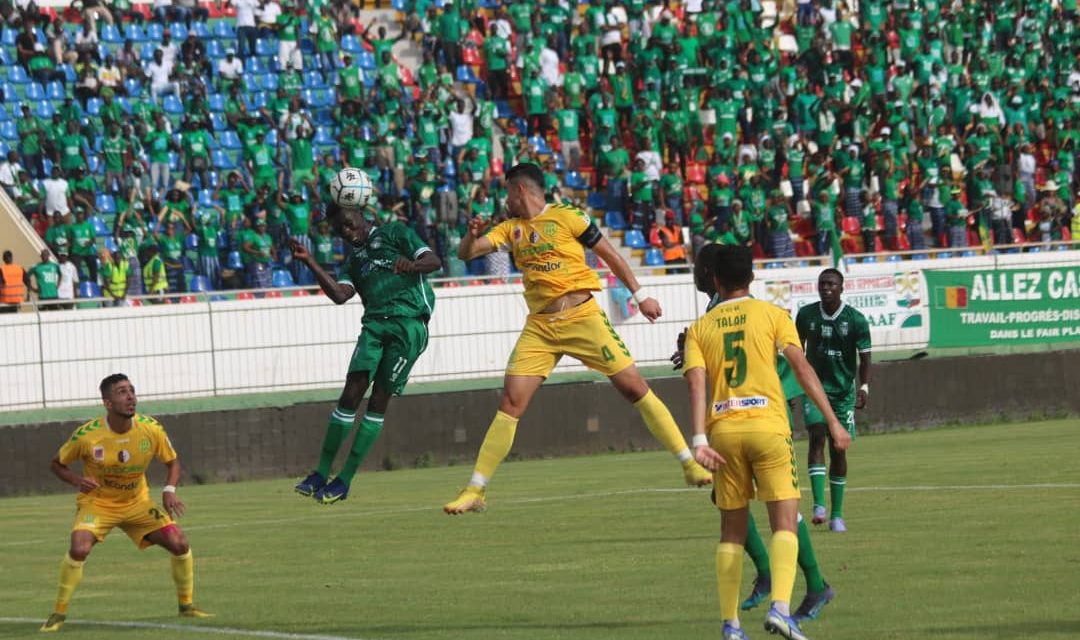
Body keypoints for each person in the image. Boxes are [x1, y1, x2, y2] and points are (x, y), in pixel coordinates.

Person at [443, 163, 712, 515]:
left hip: (583, 318)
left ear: (520, 190)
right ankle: (475, 489)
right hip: (541, 327)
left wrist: (640, 295)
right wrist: (470, 234)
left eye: (508, 192)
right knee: (511, 403)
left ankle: (688, 463)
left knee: (634, 387)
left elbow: (611, 255)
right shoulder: (511, 229)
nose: (505, 199)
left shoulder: (569, 217)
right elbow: (467, 253)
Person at [684, 245, 851, 640]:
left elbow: (695, 381)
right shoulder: (773, 315)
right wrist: (832, 421)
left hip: (723, 431)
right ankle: (780, 607)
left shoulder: (699, 327)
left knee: (730, 531)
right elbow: (801, 367)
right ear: (752, 279)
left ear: (715, 280)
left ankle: (731, 626)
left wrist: (698, 439)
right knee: (784, 523)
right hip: (768, 427)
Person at [291, 203, 441, 504]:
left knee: (378, 401)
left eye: (348, 223)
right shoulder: (353, 262)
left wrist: (412, 265)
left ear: (362, 214)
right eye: (339, 231)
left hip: (408, 325)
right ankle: (320, 473)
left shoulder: (395, 233)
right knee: (350, 393)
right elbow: (339, 295)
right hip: (374, 326)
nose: (347, 232)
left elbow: (433, 260)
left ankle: (344, 480)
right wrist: (310, 262)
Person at [40, 374, 211, 632]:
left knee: (179, 543)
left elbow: (172, 461)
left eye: (132, 390)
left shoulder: (151, 428)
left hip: (137, 503)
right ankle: (58, 614)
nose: (130, 396)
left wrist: (169, 489)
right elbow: (56, 464)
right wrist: (77, 480)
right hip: (98, 504)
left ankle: (186, 606)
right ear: (107, 403)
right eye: (122, 392)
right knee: (79, 548)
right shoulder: (87, 435)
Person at [796, 269, 872, 532]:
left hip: (843, 393)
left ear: (841, 288)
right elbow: (795, 353)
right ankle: (819, 505)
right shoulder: (806, 316)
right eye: (822, 284)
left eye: (831, 284)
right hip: (815, 390)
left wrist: (863, 386)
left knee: (839, 449)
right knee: (817, 435)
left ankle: (837, 515)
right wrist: (792, 387)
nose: (826, 288)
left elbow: (865, 357)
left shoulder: (856, 320)